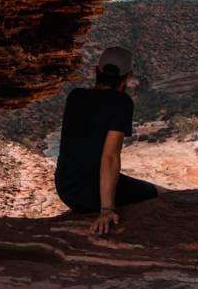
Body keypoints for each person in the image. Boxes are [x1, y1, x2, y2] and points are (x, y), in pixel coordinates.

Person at [54, 46, 159, 236]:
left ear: (96, 71)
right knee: (152, 192)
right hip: (90, 192)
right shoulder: (121, 103)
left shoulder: (75, 97)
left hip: (65, 188)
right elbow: (110, 156)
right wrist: (106, 210)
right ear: (128, 77)